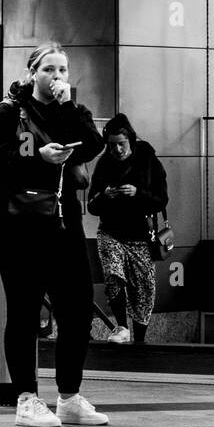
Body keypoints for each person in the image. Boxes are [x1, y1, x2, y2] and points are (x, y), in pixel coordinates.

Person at [0, 42, 107, 427]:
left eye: (63, 71)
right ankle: (26, 399)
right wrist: (39, 157)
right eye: (50, 70)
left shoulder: (73, 111)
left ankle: (69, 396)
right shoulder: (10, 112)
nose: (57, 78)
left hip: (64, 225)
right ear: (32, 72)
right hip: (18, 227)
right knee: (24, 310)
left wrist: (67, 107)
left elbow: (93, 145)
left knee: (78, 308)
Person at [87, 113, 168, 347]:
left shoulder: (148, 159)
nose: (117, 150)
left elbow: (161, 199)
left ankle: (139, 341)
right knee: (113, 275)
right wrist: (104, 196)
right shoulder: (104, 164)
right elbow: (92, 204)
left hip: (141, 235)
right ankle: (121, 326)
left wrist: (137, 193)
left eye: (121, 144)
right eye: (112, 145)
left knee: (143, 289)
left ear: (130, 140)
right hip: (110, 231)